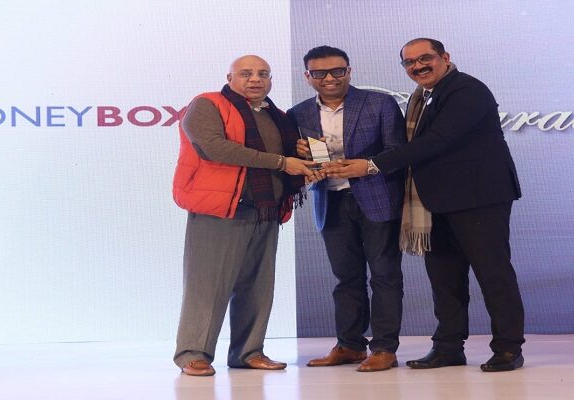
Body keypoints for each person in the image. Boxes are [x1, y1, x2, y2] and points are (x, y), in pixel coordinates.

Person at [324, 38, 525, 372]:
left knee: (493, 274)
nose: (418, 66)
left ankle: (508, 348)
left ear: (445, 57)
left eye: (425, 58)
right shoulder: (423, 96)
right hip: (437, 200)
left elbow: (437, 141)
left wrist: (372, 165)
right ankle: (448, 347)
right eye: (409, 62)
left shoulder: (467, 90)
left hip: (478, 199)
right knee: (444, 278)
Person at [172, 55, 319, 377]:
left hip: (267, 209)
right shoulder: (207, 104)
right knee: (207, 285)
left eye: (263, 74)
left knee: (257, 287)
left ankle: (248, 352)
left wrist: (300, 155)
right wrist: (282, 162)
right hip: (220, 210)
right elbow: (215, 147)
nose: (256, 79)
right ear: (230, 78)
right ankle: (193, 354)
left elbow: (286, 156)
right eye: (247, 73)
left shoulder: (277, 115)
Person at [287, 46, 407, 372]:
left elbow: (398, 152)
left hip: (378, 199)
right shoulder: (298, 114)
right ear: (307, 76)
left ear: (349, 71)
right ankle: (350, 345)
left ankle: (384, 348)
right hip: (330, 201)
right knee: (346, 278)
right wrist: (301, 154)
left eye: (337, 71)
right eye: (320, 73)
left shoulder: (379, 103)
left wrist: (366, 165)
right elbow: (299, 161)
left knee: (384, 275)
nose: (329, 78)